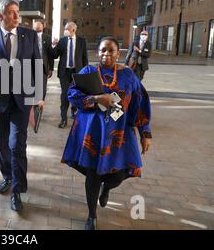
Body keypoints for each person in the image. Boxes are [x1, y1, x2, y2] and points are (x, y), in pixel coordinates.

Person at [62, 36, 152, 230]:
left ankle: (107, 188)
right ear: (98, 52)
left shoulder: (128, 75)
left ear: (118, 53)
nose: (106, 54)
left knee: (119, 175)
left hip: (119, 134)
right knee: (93, 175)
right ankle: (91, 216)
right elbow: (72, 94)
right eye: (103, 50)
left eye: (111, 51)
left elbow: (141, 101)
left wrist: (145, 132)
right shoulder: (88, 72)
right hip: (93, 132)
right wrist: (96, 98)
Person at [0, 0, 45, 212]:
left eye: (17, 12)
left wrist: (39, 95)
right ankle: (7, 176)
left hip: (22, 101)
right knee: (3, 144)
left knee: (17, 144)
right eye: (11, 13)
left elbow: (38, 66)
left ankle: (17, 190)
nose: (16, 16)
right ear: (0, 16)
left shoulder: (29, 36)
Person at [51, 21, 88, 128]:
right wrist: (54, 45)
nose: (65, 30)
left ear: (73, 30)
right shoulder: (62, 41)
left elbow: (84, 58)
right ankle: (63, 119)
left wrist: (85, 73)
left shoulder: (81, 41)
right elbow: (54, 55)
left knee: (76, 94)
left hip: (77, 72)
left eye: (67, 29)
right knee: (64, 95)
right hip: (64, 72)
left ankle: (74, 111)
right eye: (65, 28)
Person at [32, 20, 54, 98]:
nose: (37, 33)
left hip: (43, 67)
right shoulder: (29, 37)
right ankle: (32, 108)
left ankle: (39, 108)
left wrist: (51, 68)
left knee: (42, 90)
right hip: (31, 67)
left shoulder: (47, 38)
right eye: (35, 29)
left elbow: (50, 55)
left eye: (39, 30)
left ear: (43, 27)